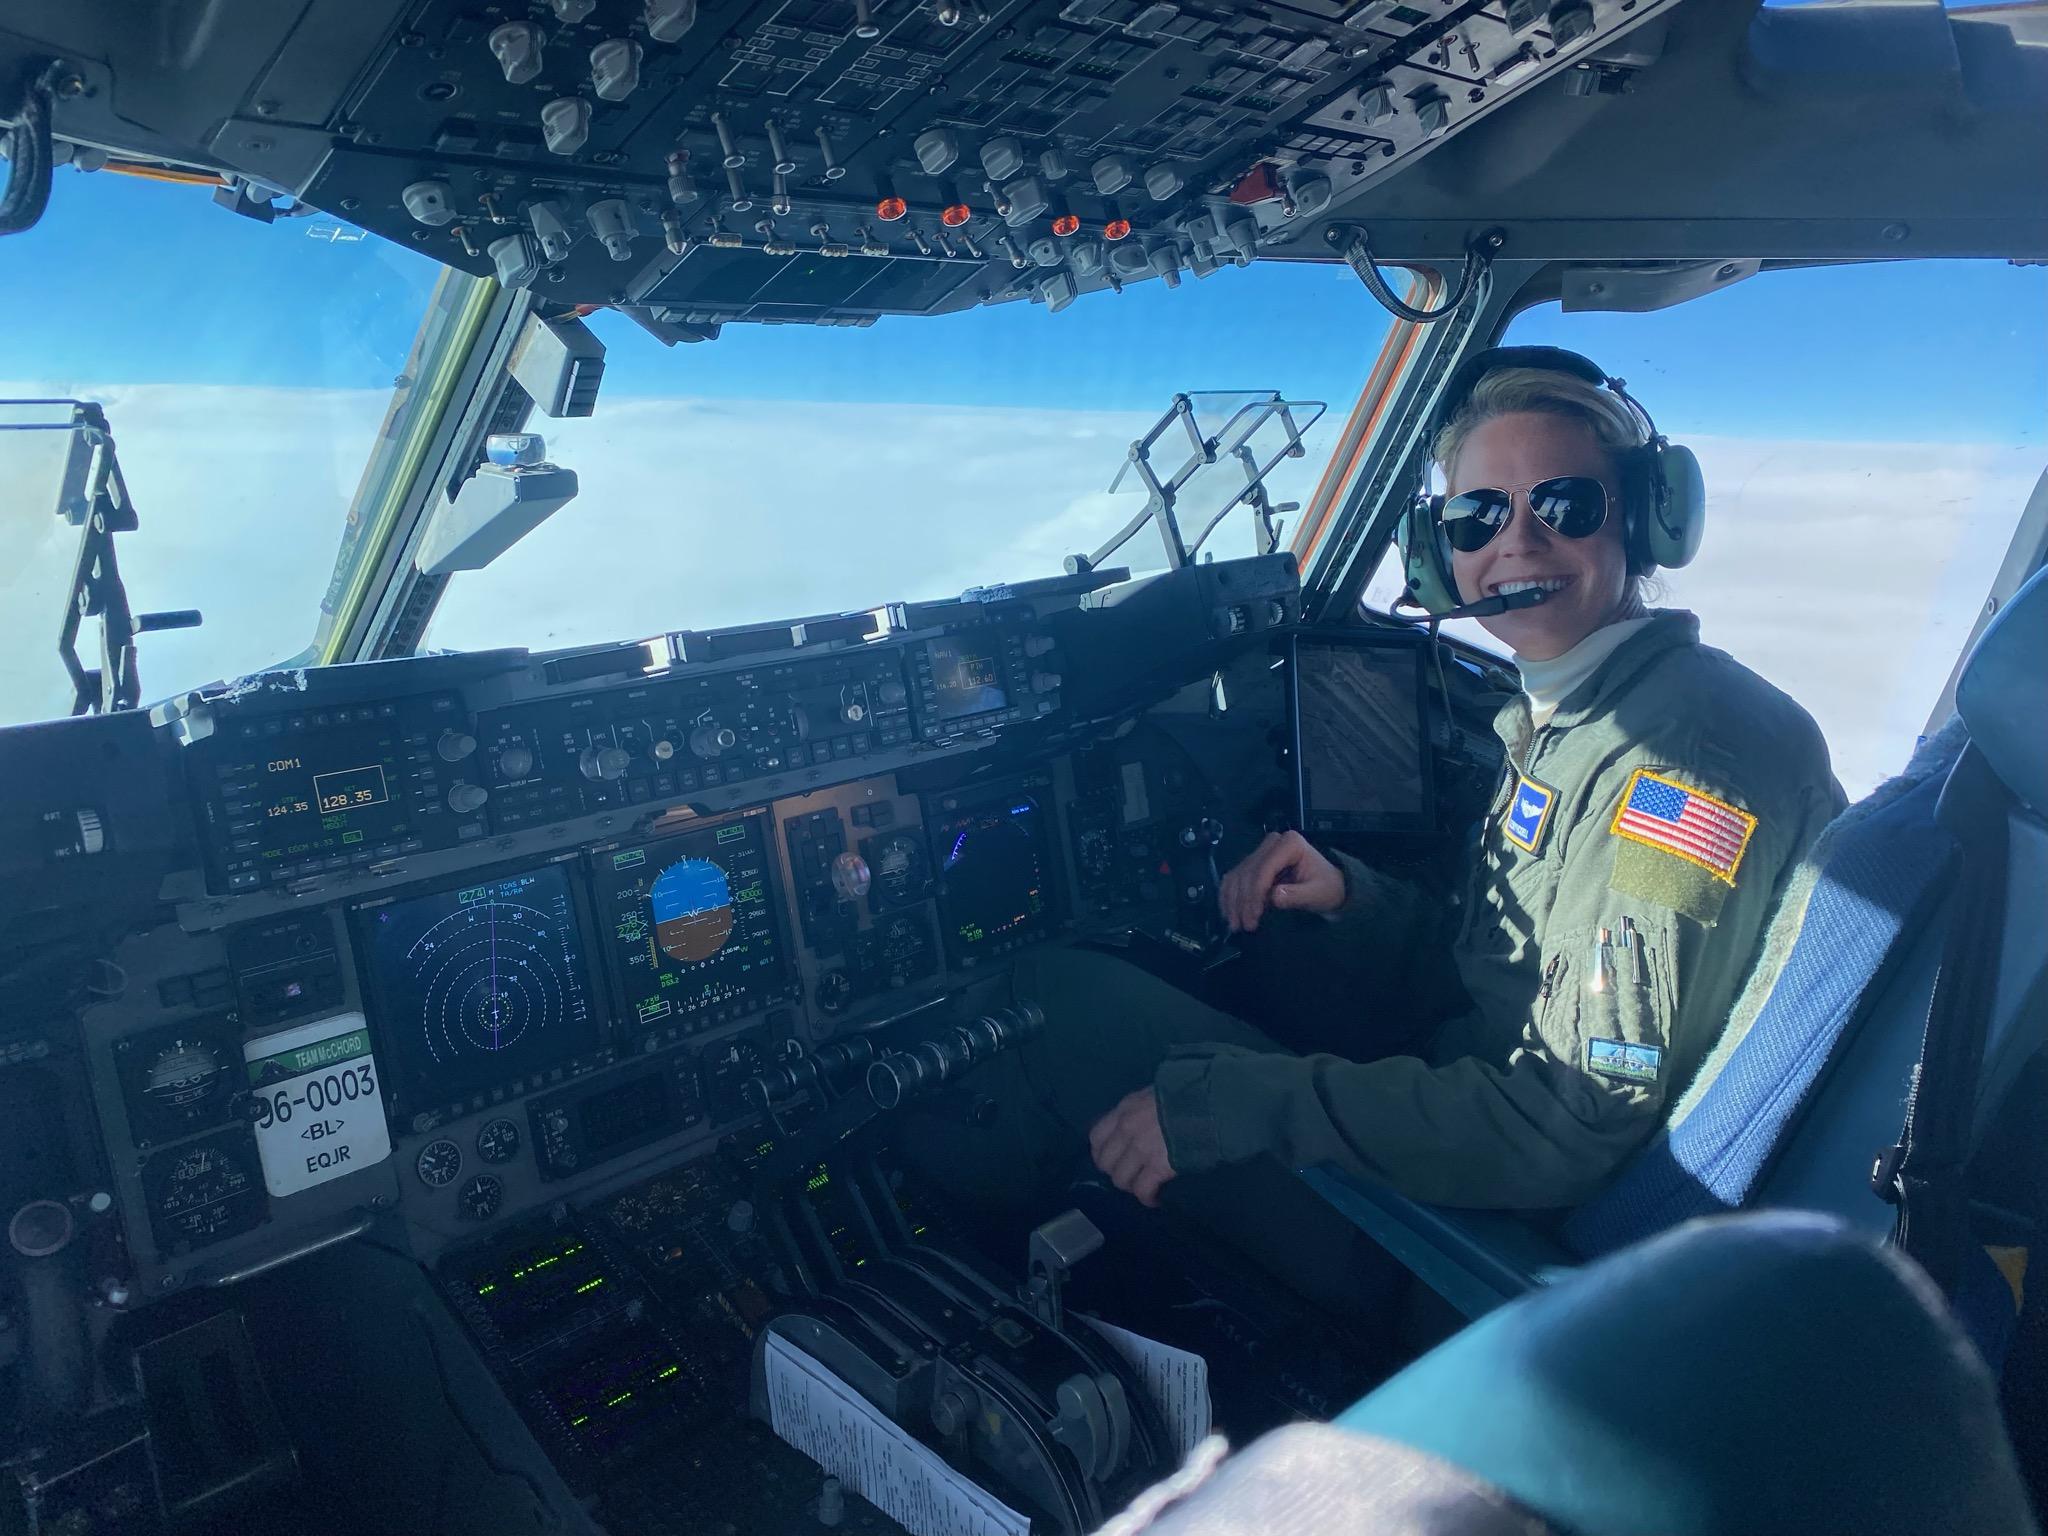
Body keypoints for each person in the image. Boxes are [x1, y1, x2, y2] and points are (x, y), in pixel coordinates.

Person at [903, 348, 1845, 1254]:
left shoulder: (1678, 769)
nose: (1517, 541)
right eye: (1478, 515)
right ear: (1439, 550)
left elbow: (1568, 1125)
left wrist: (1237, 1104)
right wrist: (1357, 899)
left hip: (1480, 1246)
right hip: (1469, 1123)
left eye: (1566, 503)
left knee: (1043, 1000)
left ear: (1643, 516)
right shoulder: (1587, 714)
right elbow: (1512, 978)